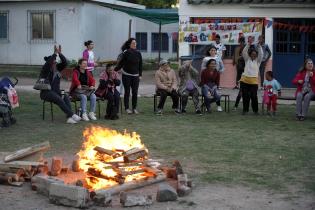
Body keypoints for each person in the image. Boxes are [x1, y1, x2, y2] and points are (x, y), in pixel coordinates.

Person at [39, 45, 81, 124]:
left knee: (65, 97)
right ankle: (72, 115)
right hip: (46, 92)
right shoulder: (45, 69)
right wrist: (54, 53)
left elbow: (65, 63)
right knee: (58, 98)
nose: (55, 63)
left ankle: (69, 118)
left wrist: (60, 53)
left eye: (55, 61)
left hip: (55, 92)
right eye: (53, 62)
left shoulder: (58, 68)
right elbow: (48, 63)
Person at [115, 38, 142, 114]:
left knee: (135, 92)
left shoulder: (138, 53)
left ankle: (134, 108)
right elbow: (121, 63)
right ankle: (127, 108)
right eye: (133, 43)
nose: (135, 44)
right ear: (129, 44)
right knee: (127, 92)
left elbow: (140, 65)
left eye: (135, 43)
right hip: (126, 75)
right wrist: (114, 70)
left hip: (136, 75)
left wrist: (140, 75)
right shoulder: (126, 52)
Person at [240, 36, 263, 115]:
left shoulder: (258, 61)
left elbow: (261, 54)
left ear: (256, 55)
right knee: (245, 96)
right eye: (252, 54)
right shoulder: (247, 59)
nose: (254, 55)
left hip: (254, 82)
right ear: (250, 54)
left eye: (255, 54)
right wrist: (249, 44)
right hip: (244, 81)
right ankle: (245, 110)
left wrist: (259, 45)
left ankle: (255, 111)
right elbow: (244, 52)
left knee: (254, 96)